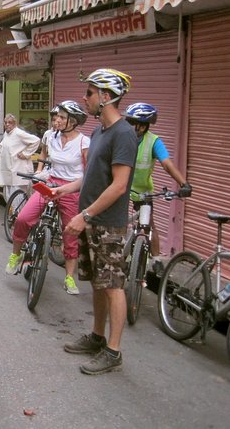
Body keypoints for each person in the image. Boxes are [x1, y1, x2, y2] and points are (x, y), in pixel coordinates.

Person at [54, 68, 137, 375]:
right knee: (99, 284)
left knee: (113, 285)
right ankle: (98, 336)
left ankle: (113, 351)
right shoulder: (99, 132)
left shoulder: (124, 134)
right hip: (91, 220)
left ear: (105, 97)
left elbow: (118, 185)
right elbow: (92, 176)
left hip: (107, 222)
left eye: (89, 93)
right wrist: (67, 188)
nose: (84, 98)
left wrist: (84, 215)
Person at [5, 101, 90, 297]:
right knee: (23, 218)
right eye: (56, 117)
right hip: (50, 184)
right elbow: (45, 154)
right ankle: (16, 254)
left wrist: (75, 190)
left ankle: (69, 277)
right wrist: (40, 172)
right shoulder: (50, 136)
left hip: (71, 189)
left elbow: (88, 172)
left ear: (73, 121)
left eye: (61, 117)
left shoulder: (84, 142)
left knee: (70, 233)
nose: (56, 120)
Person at [123, 102, 192, 258]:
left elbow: (167, 164)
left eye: (131, 122)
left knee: (149, 227)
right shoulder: (122, 137)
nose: (127, 125)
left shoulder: (153, 141)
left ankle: (155, 262)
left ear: (142, 127)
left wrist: (183, 183)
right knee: (117, 225)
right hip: (120, 189)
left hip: (143, 192)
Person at [0, 114, 40, 201]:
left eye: (10, 122)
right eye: (6, 122)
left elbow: (36, 140)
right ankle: (12, 215)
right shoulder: (7, 134)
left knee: (18, 200)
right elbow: (1, 147)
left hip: (19, 172)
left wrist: (26, 153)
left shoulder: (19, 133)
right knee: (9, 199)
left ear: (15, 124)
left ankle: (18, 215)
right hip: (9, 172)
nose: (7, 124)